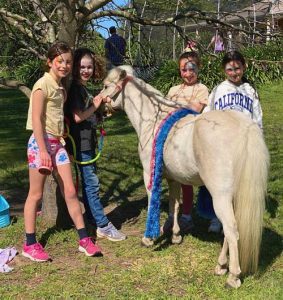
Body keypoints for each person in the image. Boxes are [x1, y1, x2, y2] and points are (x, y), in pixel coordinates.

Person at [23, 42, 102, 262]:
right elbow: (37, 120)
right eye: (60, 61)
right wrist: (43, 151)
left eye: (68, 61)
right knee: (35, 194)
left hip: (58, 144)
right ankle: (30, 243)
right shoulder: (42, 85)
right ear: (49, 62)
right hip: (40, 144)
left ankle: (84, 239)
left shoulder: (60, 87)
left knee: (70, 190)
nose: (65, 65)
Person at [64, 48, 127, 242]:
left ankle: (92, 218)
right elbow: (76, 116)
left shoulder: (82, 88)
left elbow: (88, 113)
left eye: (89, 66)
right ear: (75, 67)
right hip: (81, 145)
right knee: (92, 184)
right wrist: (95, 104)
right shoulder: (76, 89)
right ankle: (103, 225)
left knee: (89, 183)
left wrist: (98, 106)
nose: (86, 70)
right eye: (82, 66)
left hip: (87, 142)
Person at [202, 50, 263, 232]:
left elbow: (258, 119)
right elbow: (207, 113)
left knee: (240, 183)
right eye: (230, 69)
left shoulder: (250, 91)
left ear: (244, 67)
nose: (234, 72)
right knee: (216, 183)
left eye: (237, 68)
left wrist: (259, 140)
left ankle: (238, 217)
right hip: (220, 144)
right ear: (224, 70)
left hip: (243, 143)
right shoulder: (219, 90)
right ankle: (215, 217)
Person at [161, 51, 209, 234]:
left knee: (185, 179)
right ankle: (172, 215)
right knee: (171, 179)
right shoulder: (173, 90)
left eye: (192, 69)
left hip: (188, 139)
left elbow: (196, 109)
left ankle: (187, 216)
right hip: (170, 139)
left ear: (198, 68)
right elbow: (164, 110)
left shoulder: (202, 89)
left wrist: (175, 109)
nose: (188, 73)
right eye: (184, 69)